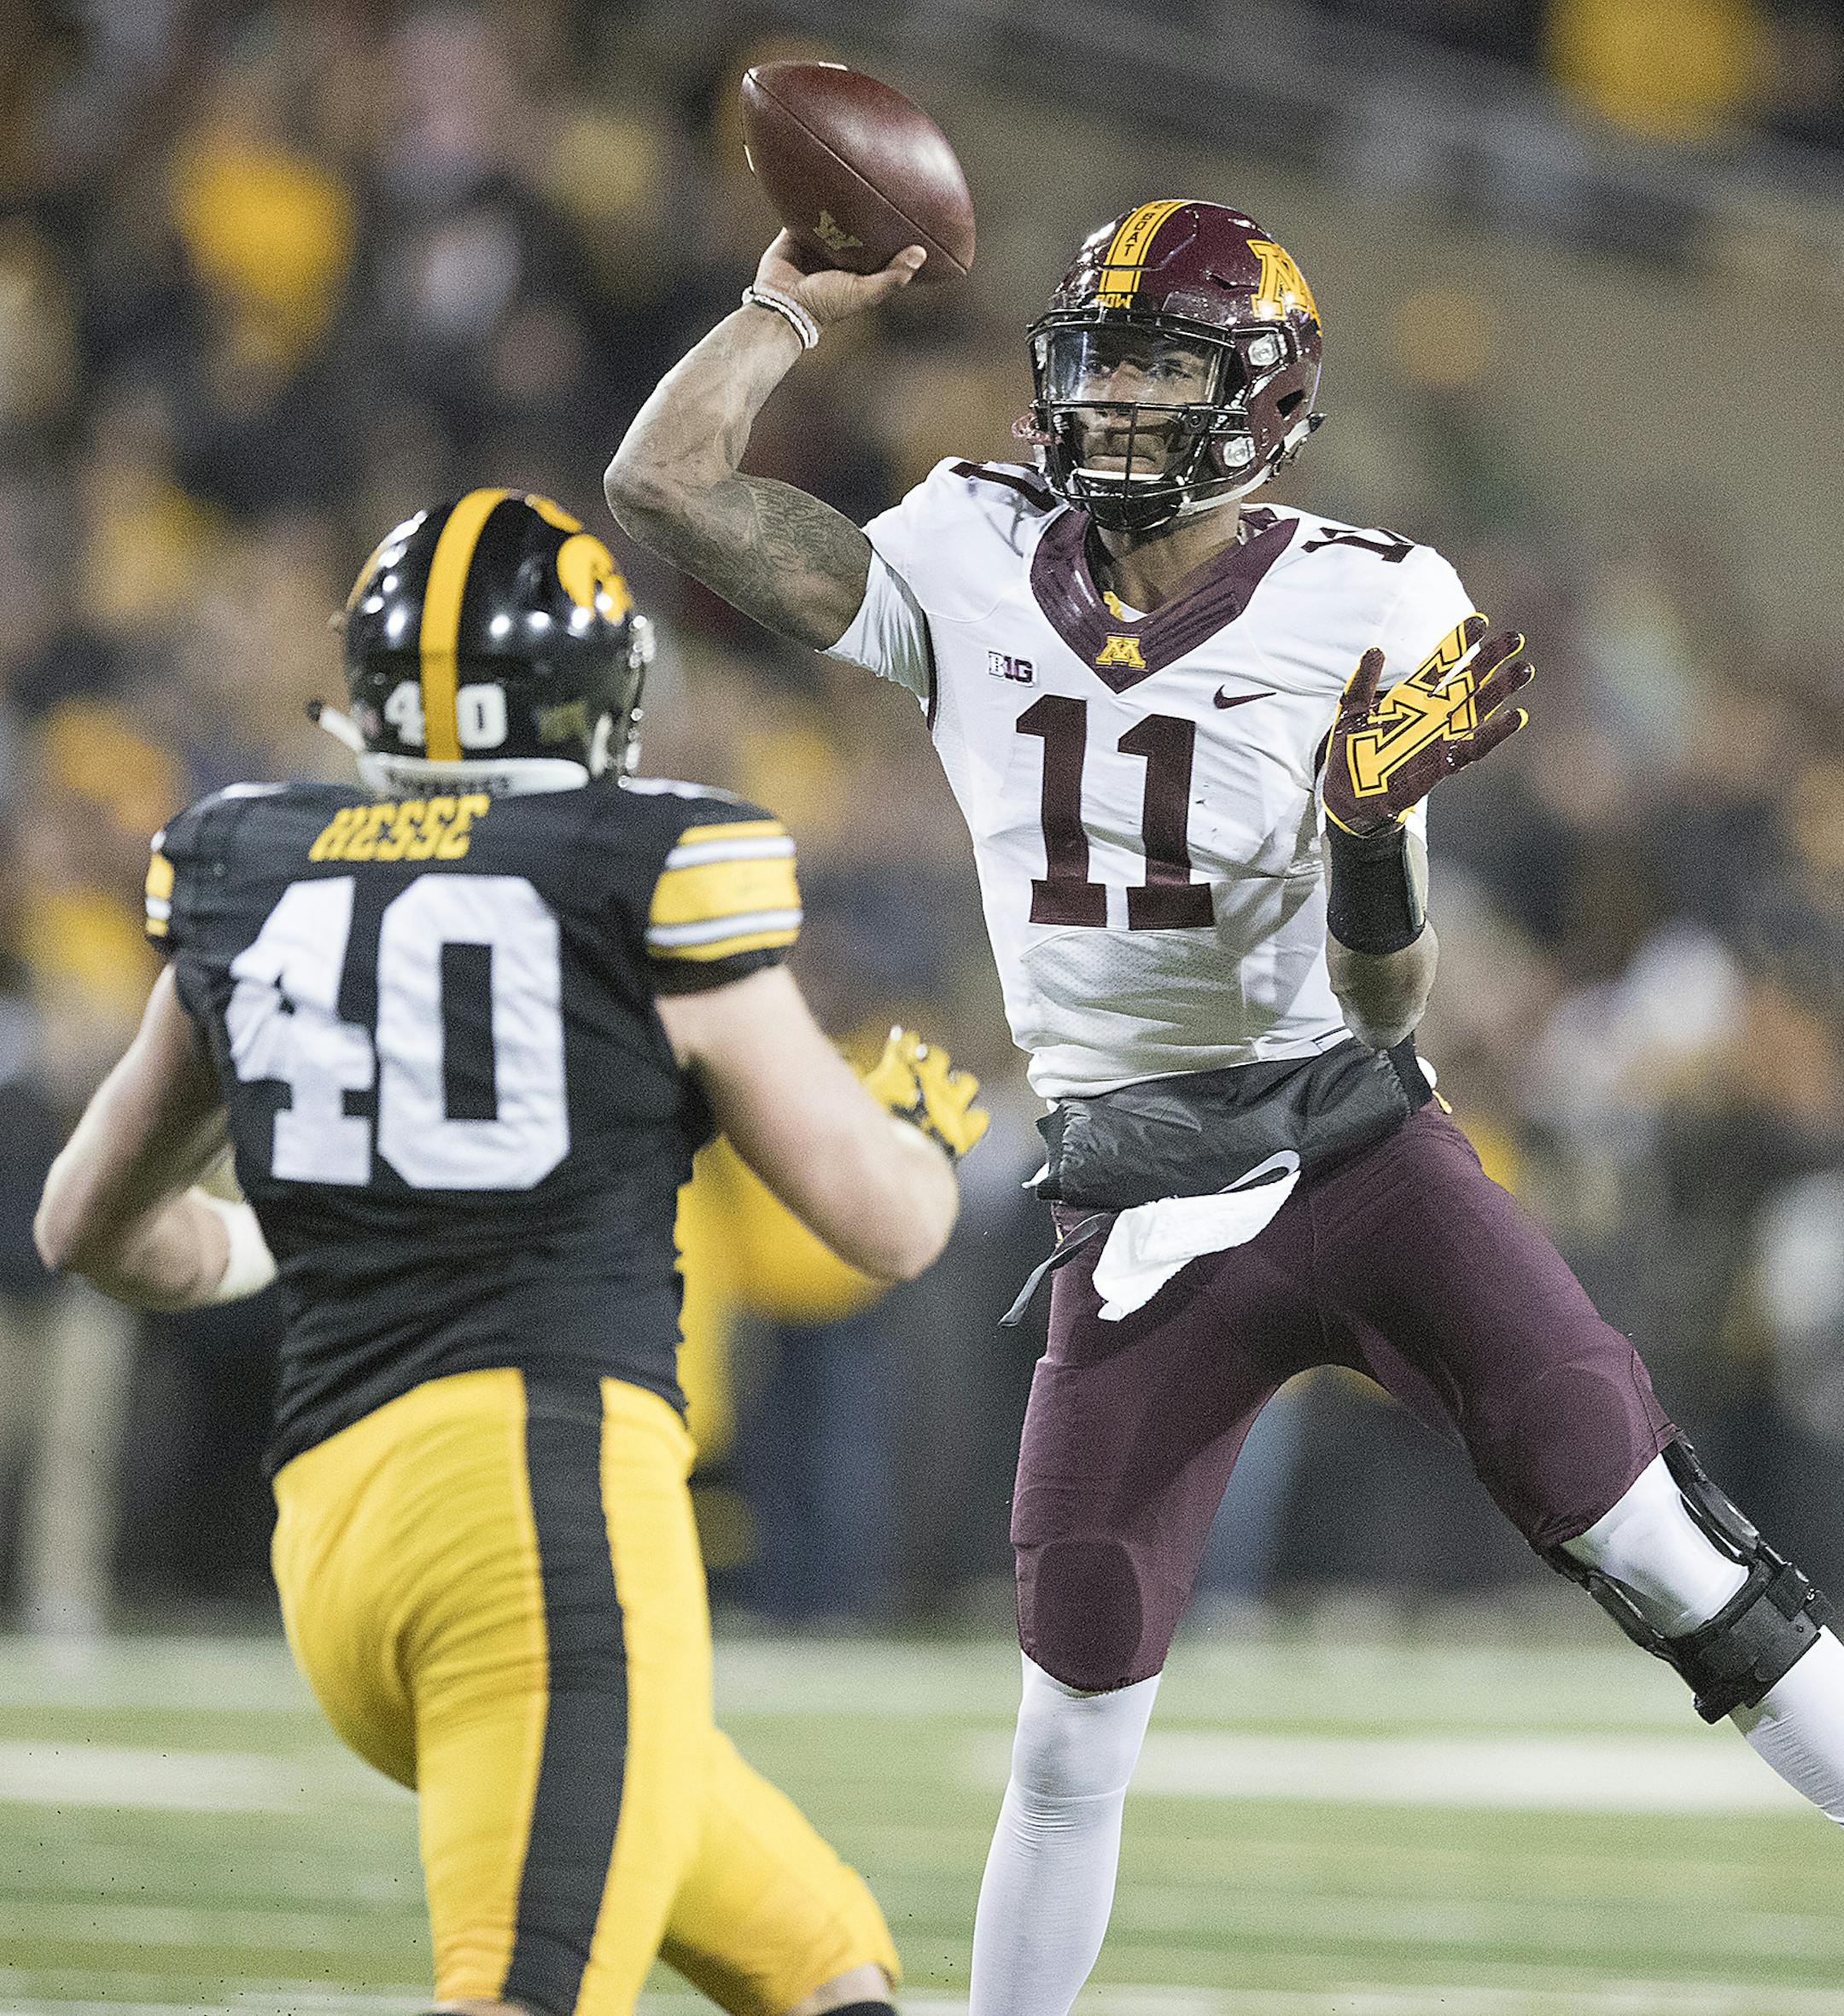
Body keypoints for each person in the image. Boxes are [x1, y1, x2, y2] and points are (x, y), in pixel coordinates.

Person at [604, 201, 1844, 2012]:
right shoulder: (967, 545)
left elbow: (1388, 1000)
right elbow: (664, 485)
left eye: (1161, 368)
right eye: (1098, 363)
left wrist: (1365, 835)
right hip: (1130, 1198)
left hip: (1360, 1153)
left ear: (1262, 397)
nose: (1114, 402)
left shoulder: (1376, 596)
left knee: (1666, 1552)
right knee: (1068, 1721)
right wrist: (778, 308)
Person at [34, 488, 988, 2016]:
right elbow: (883, 1223)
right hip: (535, 1518)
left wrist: (263, 1247)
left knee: (826, 1963)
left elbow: (86, 1223)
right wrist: (925, 1135)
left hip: (336, 1539)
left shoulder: (251, 862)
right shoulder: (642, 861)